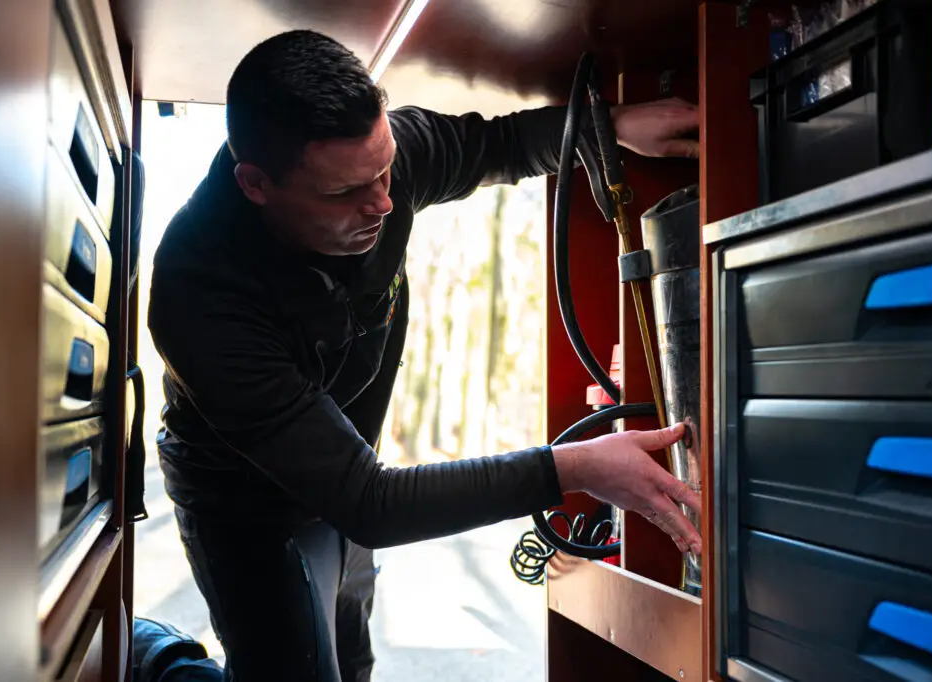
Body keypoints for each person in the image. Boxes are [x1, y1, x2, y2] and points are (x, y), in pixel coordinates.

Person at [147, 29, 703, 682]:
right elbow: (370, 503)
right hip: (241, 500)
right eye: (344, 193)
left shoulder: (390, 161)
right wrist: (575, 467)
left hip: (341, 463)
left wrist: (608, 127)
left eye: (384, 172)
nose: (383, 202)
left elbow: (498, 145)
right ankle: (155, 659)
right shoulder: (198, 291)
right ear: (257, 185)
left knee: (351, 662)